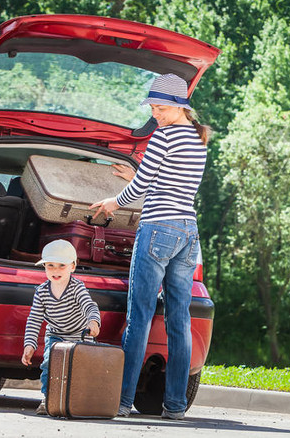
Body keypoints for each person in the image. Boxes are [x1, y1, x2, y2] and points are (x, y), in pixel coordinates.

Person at [89, 73, 211, 420]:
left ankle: (123, 401)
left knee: (139, 316)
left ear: (177, 107)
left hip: (158, 229)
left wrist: (114, 201)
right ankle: (174, 406)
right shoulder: (197, 139)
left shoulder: (163, 137)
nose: (154, 114)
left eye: (159, 107)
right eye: (153, 107)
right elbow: (173, 182)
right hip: (188, 233)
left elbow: (141, 188)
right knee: (179, 322)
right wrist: (139, 177)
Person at [21, 239, 101, 416]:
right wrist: (29, 344)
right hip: (56, 334)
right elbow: (34, 319)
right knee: (50, 364)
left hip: (81, 334)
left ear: (73, 266)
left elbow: (90, 306)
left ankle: (80, 400)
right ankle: (48, 399)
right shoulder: (42, 291)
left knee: (81, 368)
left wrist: (93, 322)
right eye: (50, 265)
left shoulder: (77, 287)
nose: (55, 271)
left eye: (61, 266)